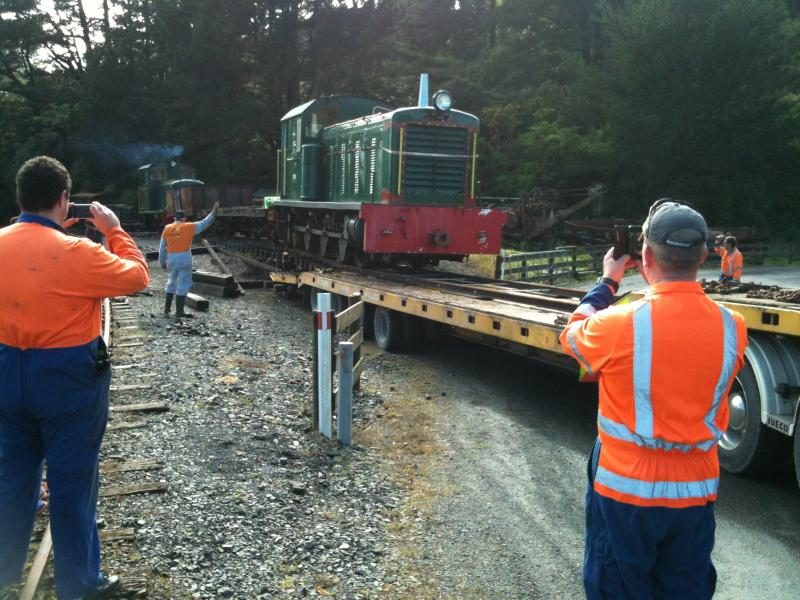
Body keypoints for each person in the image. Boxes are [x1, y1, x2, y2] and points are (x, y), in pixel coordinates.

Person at [559, 199, 748, 599]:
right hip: (695, 492)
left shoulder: (617, 324)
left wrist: (608, 281)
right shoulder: (733, 326)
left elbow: (573, 335)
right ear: (704, 256)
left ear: (644, 255)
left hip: (626, 494)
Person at [0, 156, 150, 599]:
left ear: (20, 198)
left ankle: (3, 568)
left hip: (7, 372)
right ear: (65, 201)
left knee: (11, 476)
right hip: (67, 379)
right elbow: (138, 276)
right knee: (72, 480)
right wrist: (114, 229)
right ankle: (79, 583)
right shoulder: (79, 252)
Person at [159, 202, 219, 318]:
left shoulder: (167, 228)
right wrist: (213, 212)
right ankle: (179, 311)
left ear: (174, 218)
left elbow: (162, 247)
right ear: (184, 219)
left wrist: (162, 262)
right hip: (184, 257)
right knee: (184, 283)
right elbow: (205, 222)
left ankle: (166, 310)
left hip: (171, 257)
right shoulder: (189, 226)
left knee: (171, 282)